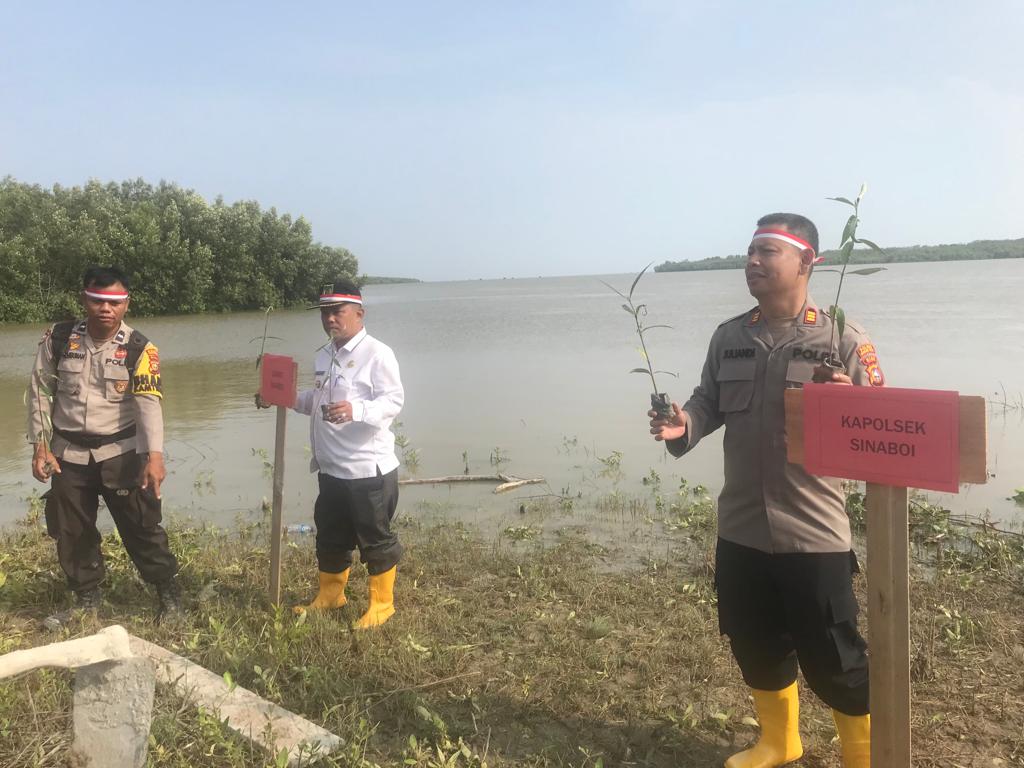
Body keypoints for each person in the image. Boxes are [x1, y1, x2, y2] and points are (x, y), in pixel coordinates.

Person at [649, 214, 880, 768]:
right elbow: (708, 401)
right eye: (749, 251)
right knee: (754, 641)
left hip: (814, 530)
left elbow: (881, 426)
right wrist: (686, 425)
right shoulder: (730, 336)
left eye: (766, 253)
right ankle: (780, 741)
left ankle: (864, 757)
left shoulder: (841, 337)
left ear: (808, 262)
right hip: (743, 527)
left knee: (835, 656)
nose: (751, 262)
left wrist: (849, 402)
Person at [28, 266, 181, 628]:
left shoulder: (141, 348)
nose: (106, 309)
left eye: (114, 302)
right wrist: (40, 446)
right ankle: (86, 598)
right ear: (84, 299)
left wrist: (154, 456)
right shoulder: (59, 339)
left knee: (141, 525)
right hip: (67, 455)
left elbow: (148, 403)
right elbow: (40, 392)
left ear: (126, 303)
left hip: (121, 452)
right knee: (71, 528)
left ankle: (168, 593)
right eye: (98, 300)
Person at [267, 279, 405, 629]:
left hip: (366, 470)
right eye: (325, 312)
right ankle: (331, 595)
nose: (330, 319)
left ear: (359, 313)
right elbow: (316, 400)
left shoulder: (377, 353)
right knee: (330, 534)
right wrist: (281, 396)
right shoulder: (324, 354)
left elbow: (393, 400)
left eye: (337, 312)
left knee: (375, 538)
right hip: (331, 469)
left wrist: (355, 410)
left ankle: (382, 604)